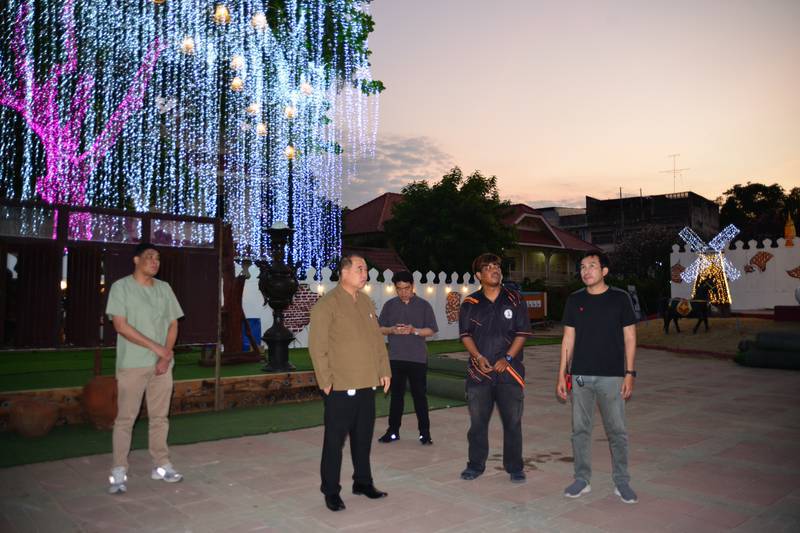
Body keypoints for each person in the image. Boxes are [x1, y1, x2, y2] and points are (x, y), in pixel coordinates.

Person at [308, 254, 392, 512]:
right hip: (340, 386)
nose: (364, 274)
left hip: (367, 382)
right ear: (344, 272)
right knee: (335, 442)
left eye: (365, 269)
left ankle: (363, 482)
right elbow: (317, 347)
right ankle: (331, 491)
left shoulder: (365, 301)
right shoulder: (327, 305)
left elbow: (377, 340)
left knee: (363, 438)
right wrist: (325, 380)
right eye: (359, 269)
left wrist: (384, 370)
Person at [556, 251, 639, 504]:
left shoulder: (620, 298)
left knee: (617, 430)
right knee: (580, 430)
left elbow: (630, 337)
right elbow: (568, 339)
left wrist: (629, 373)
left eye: (592, 266)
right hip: (581, 376)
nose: (586, 271)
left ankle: (622, 481)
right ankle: (582, 479)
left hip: (611, 376)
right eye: (582, 267)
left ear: (604, 271)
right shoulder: (575, 300)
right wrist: (562, 374)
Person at [105, 242, 184, 494]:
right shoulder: (121, 287)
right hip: (133, 364)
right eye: (149, 256)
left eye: (157, 258)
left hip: (162, 365)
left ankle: (161, 464)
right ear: (136, 260)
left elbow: (173, 324)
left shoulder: (164, 288)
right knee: (125, 419)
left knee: (160, 417)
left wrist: (165, 355)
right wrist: (158, 349)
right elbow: (121, 326)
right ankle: (119, 469)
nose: (154, 261)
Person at [458, 253, 532, 484]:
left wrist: (508, 358)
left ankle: (515, 467)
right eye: (488, 267)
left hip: (510, 373)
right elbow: (465, 335)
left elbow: (522, 333)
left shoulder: (515, 299)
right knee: (478, 424)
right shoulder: (470, 303)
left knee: (513, 423)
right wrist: (478, 356)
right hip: (479, 374)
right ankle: (475, 465)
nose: (495, 270)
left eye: (497, 266)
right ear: (479, 275)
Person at [377, 271, 438, 445]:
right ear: (395, 288)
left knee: (420, 396)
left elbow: (432, 330)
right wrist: (392, 330)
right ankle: (393, 431)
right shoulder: (390, 305)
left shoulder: (424, 305)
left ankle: (424, 433)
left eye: (407, 288)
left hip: (417, 358)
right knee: (396, 396)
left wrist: (414, 330)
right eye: (399, 289)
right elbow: (379, 329)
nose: (403, 292)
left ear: (413, 286)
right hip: (396, 358)